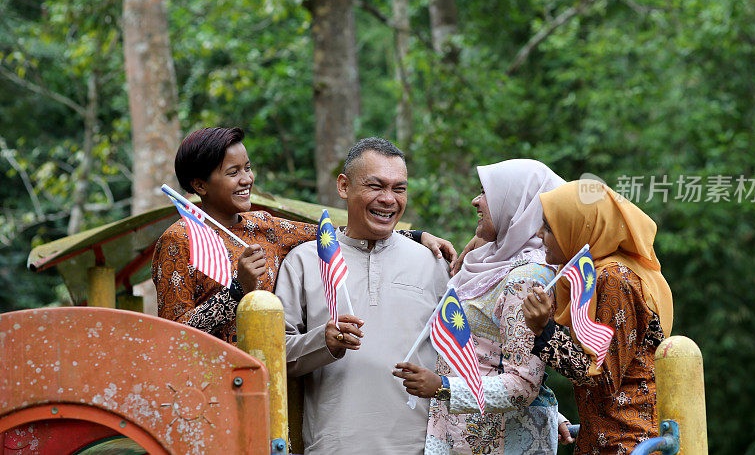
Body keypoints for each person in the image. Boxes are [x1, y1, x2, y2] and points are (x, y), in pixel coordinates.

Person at [152, 128, 454, 344]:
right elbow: (172, 337)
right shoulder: (179, 240)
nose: (247, 179)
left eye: (248, 167)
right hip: (211, 389)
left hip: (270, 384)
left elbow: (338, 235)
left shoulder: (264, 226)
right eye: (233, 172)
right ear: (200, 185)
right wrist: (236, 290)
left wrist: (414, 235)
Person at [274, 137, 451, 455]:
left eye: (399, 189)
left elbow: (469, 357)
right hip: (334, 445)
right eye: (376, 186)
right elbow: (275, 356)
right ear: (344, 186)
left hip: (420, 447)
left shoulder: (434, 262)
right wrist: (322, 342)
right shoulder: (304, 260)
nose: (388, 199)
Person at [393, 159, 569, 454]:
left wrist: (443, 387)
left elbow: (523, 384)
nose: (476, 200)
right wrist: (418, 235)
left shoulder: (527, 277)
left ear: (516, 203)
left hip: (494, 439)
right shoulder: (489, 259)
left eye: (487, 191)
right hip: (462, 430)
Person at [522, 180, 674, 454]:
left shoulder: (614, 278)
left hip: (628, 442)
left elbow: (603, 379)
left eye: (549, 226)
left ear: (580, 228)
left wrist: (545, 329)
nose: (539, 233)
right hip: (601, 439)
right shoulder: (593, 273)